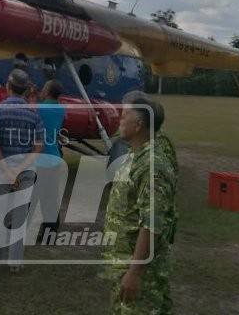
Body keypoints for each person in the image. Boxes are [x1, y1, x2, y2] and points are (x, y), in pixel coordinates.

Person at [103, 93, 177, 314]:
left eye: (125, 115)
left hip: (142, 274)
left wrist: (135, 273)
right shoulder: (135, 156)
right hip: (123, 262)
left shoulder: (153, 165)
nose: (120, 119)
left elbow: (152, 223)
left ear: (138, 125)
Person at [0, 68, 44, 271]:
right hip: (26, 171)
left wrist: (6, 168)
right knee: (20, 217)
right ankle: (15, 262)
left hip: (2, 170)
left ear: (8, 85)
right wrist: (20, 169)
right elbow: (38, 146)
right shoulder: (33, 113)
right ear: (25, 90)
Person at [34, 80, 67, 236]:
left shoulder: (39, 108)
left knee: (35, 195)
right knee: (51, 196)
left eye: (44, 87)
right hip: (54, 156)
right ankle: (51, 230)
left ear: (47, 91)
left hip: (40, 157)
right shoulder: (61, 110)